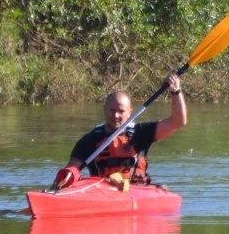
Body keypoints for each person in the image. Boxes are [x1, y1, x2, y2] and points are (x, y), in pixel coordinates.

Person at [54, 76, 185, 190]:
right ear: (104, 110)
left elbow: (178, 122)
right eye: (111, 110)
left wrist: (176, 92)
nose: (115, 115)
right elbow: (72, 170)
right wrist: (58, 185)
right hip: (102, 191)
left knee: (163, 188)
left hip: (137, 190)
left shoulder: (141, 133)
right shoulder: (90, 140)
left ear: (130, 112)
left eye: (121, 111)